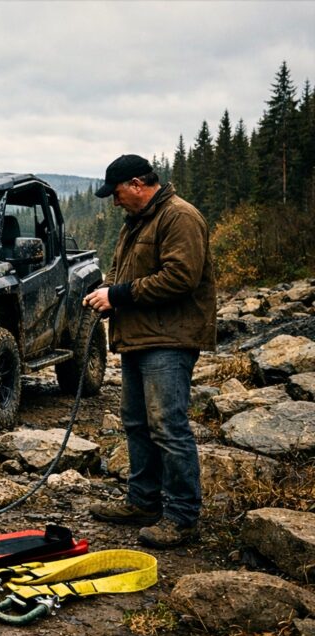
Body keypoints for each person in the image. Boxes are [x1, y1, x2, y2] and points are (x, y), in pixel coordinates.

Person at [82, 154, 216, 549]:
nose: (115, 201)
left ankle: (181, 516)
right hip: (140, 337)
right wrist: (106, 295)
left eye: (118, 192)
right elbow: (128, 274)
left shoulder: (180, 217)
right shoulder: (138, 221)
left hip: (169, 340)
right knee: (137, 424)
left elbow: (181, 277)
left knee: (168, 427)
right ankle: (143, 502)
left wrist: (118, 295)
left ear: (139, 184)